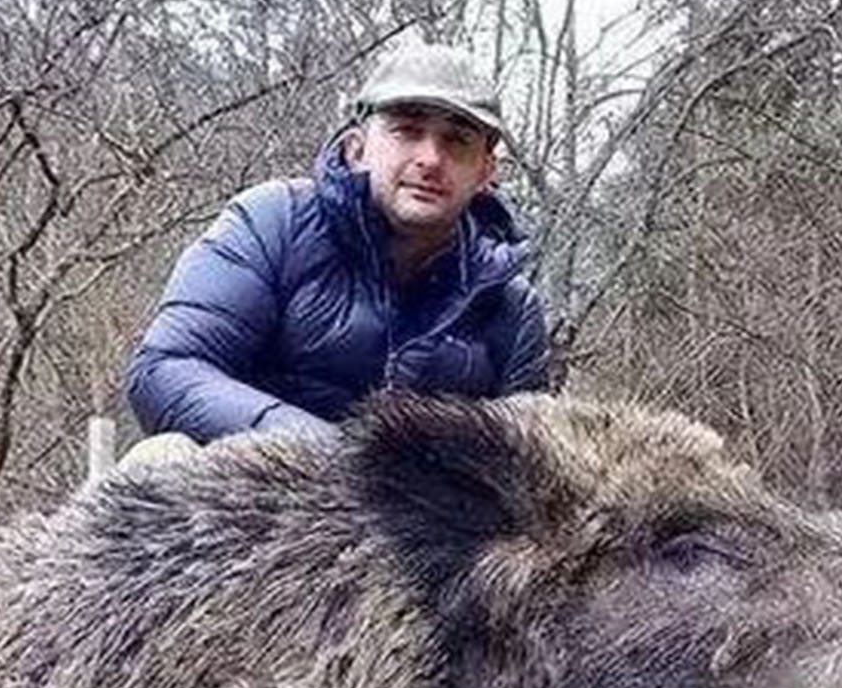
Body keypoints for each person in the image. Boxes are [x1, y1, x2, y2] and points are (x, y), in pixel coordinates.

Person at [123, 45, 549, 451]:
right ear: (357, 148)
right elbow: (164, 370)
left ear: (486, 172)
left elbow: (527, 472)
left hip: (414, 524)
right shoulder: (275, 223)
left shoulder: (511, 310)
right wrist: (335, 459)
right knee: (162, 456)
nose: (431, 159)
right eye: (407, 131)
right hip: (251, 505)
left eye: (456, 140)